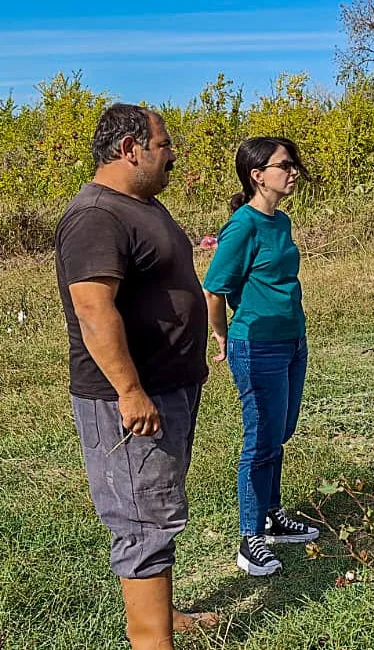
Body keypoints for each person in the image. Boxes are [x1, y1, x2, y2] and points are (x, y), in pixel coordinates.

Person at [54, 103, 217, 649]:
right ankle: (151, 640)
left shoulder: (142, 204)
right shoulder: (97, 216)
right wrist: (129, 391)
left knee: (158, 503)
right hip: (131, 399)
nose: (172, 154)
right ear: (131, 149)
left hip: (169, 388)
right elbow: (94, 311)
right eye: (164, 144)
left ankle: (163, 614)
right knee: (142, 520)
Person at [203, 137, 319, 577]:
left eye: (292, 164)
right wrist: (220, 335)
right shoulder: (243, 226)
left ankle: (272, 517)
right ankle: (250, 537)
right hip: (255, 345)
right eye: (283, 165)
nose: (292, 172)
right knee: (261, 439)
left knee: (280, 430)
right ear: (257, 175)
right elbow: (214, 288)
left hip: (291, 341)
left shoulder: (281, 221)